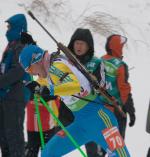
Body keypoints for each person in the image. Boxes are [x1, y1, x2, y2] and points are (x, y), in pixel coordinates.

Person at [19, 44, 131, 157]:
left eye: (30, 69)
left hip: (100, 121)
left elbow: (74, 85)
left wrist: (50, 90)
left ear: (37, 60)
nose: (32, 73)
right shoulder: (51, 66)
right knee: (49, 152)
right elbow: (50, 81)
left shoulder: (55, 67)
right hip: (81, 125)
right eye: (28, 71)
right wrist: (38, 86)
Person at [96, 34, 136, 156]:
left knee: (101, 144)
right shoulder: (120, 66)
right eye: (121, 46)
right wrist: (131, 110)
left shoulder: (100, 60)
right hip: (117, 112)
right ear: (116, 48)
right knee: (117, 148)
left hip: (100, 110)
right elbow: (124, 90)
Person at [0, 14, 33, 157]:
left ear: (17, 28)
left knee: (13, 137)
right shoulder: (12, 45)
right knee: (4, 137)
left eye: (10, 27)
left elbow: (18, 71)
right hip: (5, 95)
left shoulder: (22, 45)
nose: (7, 30)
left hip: (15, 96)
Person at [68, 28, 102, 157]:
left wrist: (95, 82)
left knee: (92, 150)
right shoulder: (65, 61)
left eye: (83, 43)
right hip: (67, 111)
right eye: (77, 43)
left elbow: (102, 87)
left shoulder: (96, 63)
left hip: (89, 111)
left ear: (89, 46)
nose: (79, 46)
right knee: (55, 145)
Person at [25, 77, 74, 157]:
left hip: (49, 127)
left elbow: (57, 100)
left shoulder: (53, 83)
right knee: (33, 150)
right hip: (35, 128)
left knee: (48, 151)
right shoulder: (36, 87)